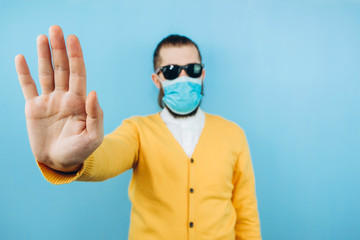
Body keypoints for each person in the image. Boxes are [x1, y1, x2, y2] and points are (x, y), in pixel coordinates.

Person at [15, 25, 262, 240]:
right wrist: (69, 161)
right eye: (173, 71)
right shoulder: (138, 131)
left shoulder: (233, 134)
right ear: (157, 80)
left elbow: (246, 215)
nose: (184, 77)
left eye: (193, 69)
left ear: (202, 74)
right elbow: (108, 155)